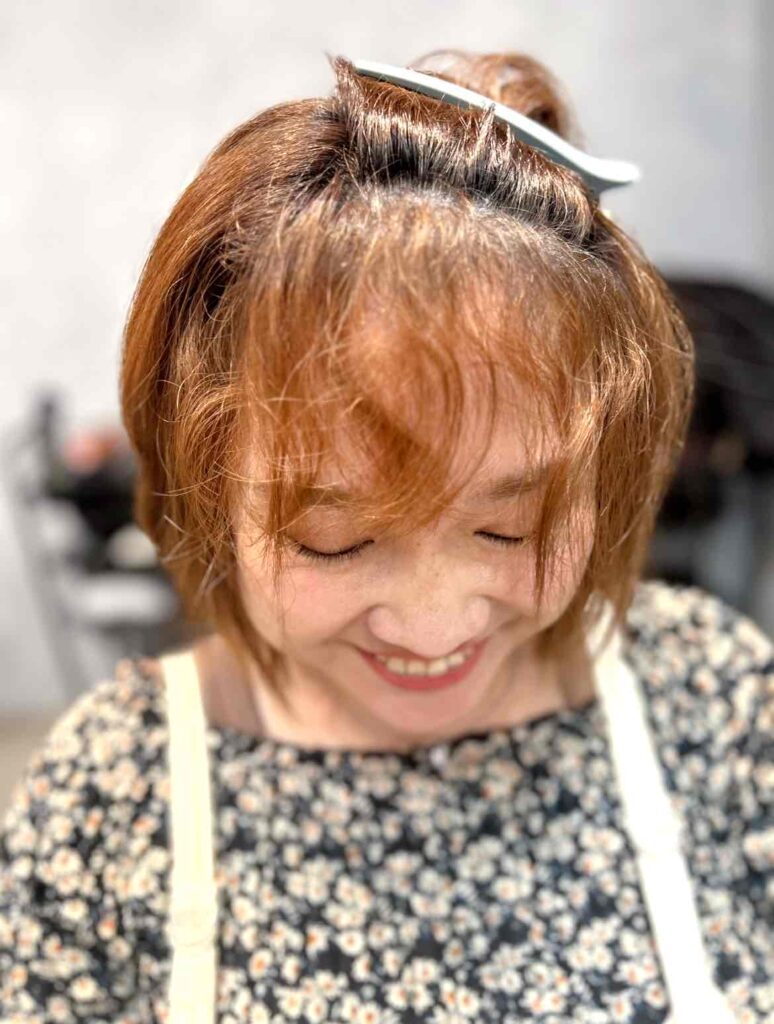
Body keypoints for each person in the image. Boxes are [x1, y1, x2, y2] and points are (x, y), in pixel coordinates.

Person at [1, 48, 771, 1024]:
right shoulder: (112, 794)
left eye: (510, 527)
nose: (431, 624)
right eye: (333, 541)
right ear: (211, 495)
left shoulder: (711, 700)